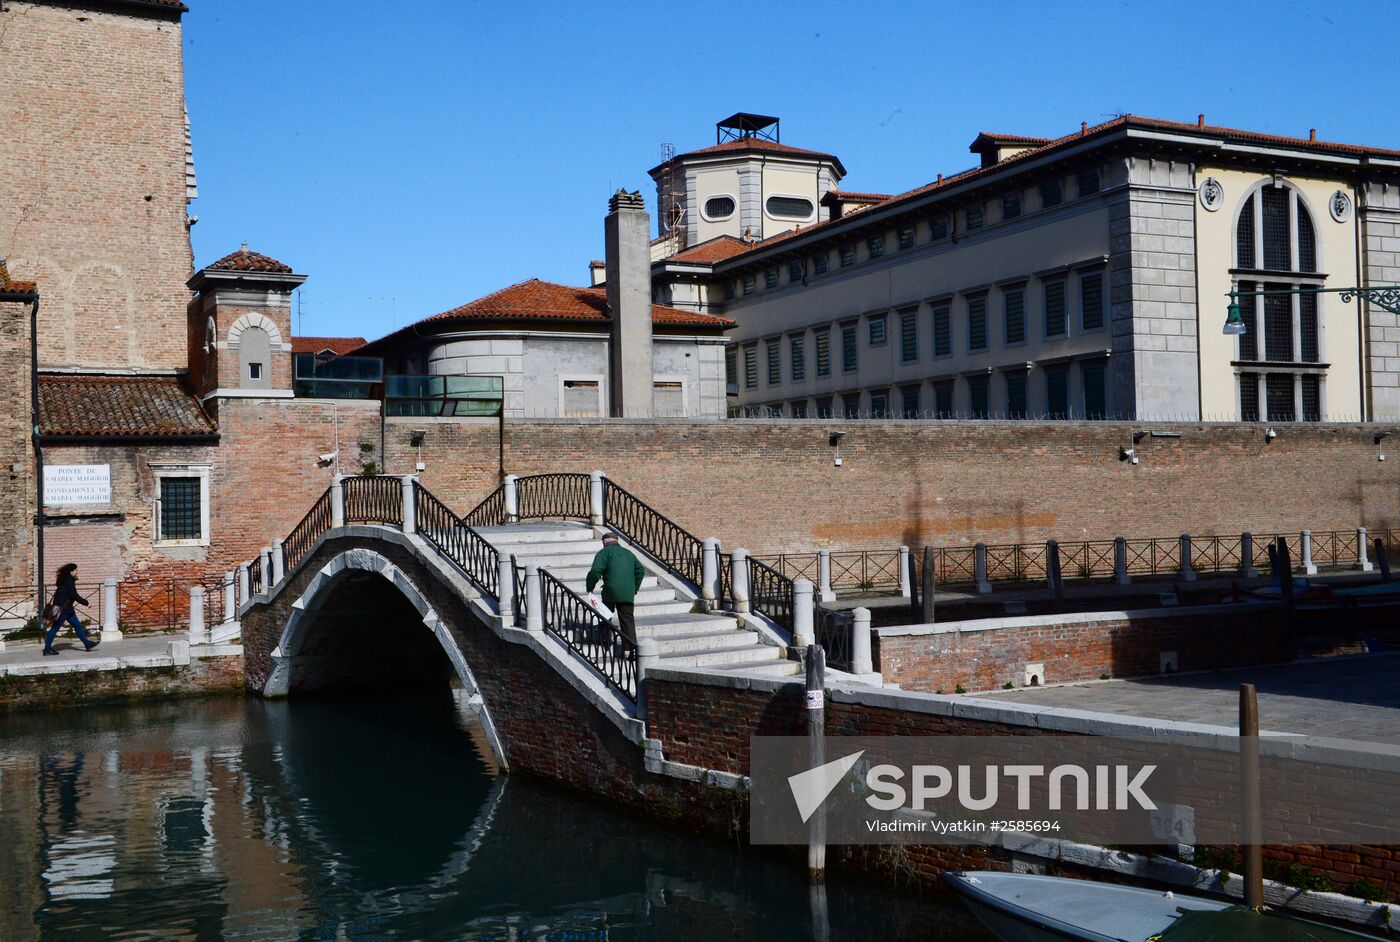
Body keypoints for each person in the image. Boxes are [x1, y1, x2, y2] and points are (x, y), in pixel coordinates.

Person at [585, 534, 646, 643]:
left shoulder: (604, 552)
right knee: (627, 620)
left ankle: (604, 642)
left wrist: (590, 587)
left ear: (604, 542)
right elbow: (640, 571)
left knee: (605, 615)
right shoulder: (629, 553)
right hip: (627, 593)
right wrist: (634, 588)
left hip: (610, 591)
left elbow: (595, 571)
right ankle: (630, 648)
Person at [43, 563, 99, 656]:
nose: (77, 572)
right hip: (63, 609)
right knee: (55, 628)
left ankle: (87, 644)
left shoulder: (66, 580)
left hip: (67, 609)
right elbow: (73, 594)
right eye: (76, 570)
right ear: (71, 571)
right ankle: (47, 649)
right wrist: (86, 603)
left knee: (77, 626)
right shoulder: (68, 580)